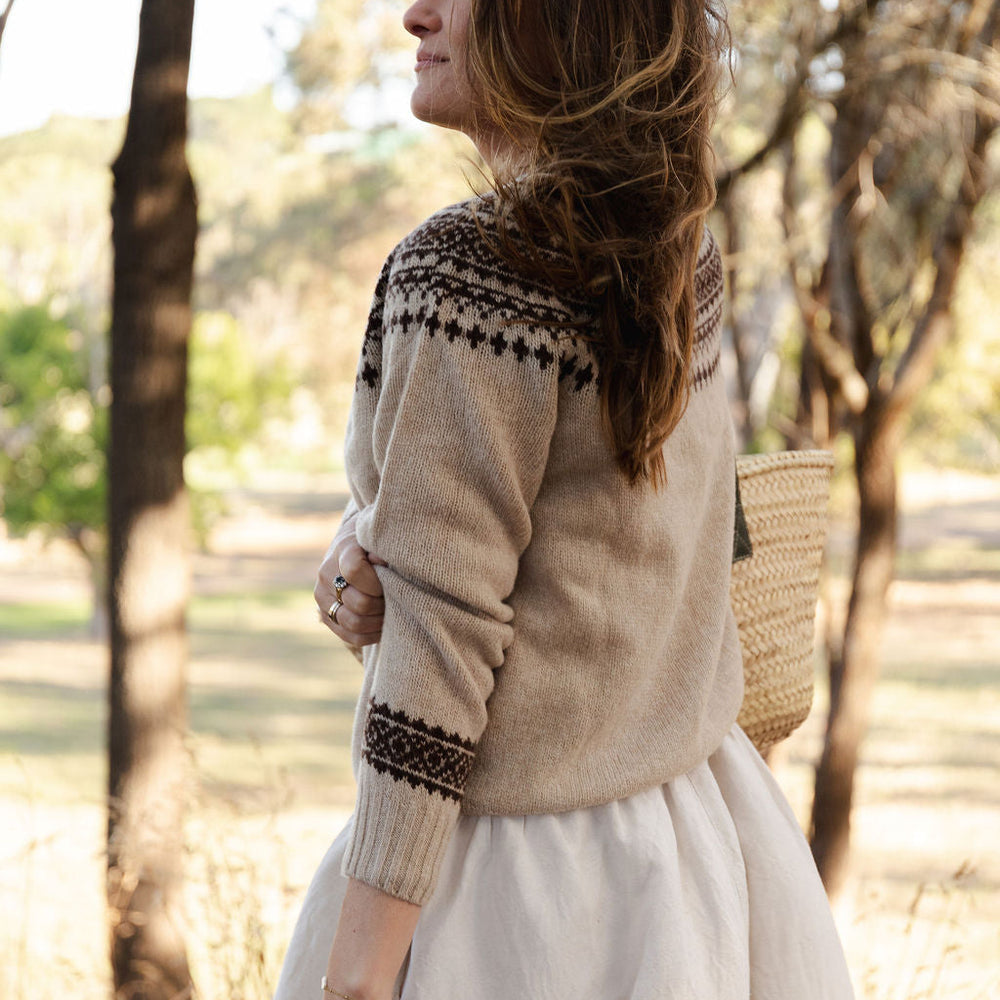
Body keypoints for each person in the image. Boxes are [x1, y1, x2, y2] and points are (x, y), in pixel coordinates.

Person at [274, 0, 856, 998]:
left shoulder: (465, 276)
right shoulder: (675, 244)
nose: (414, 15)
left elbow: (439, 653)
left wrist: (358, 978)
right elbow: (602, 534)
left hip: (514, 904)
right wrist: (367, 558)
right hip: (698, 850)